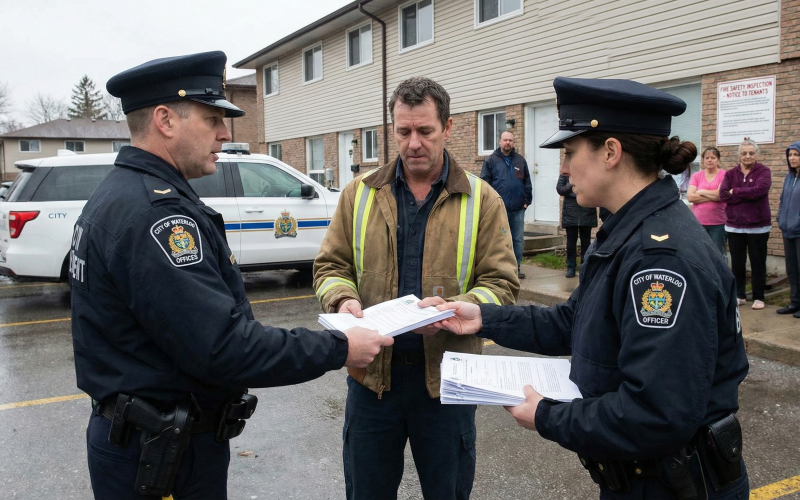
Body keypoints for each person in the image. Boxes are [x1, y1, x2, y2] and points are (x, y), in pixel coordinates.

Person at [70, 51, 392, 500]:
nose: (225, 133)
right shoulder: (154, 214)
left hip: (148, 440)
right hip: (161, 455)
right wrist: (340, 346)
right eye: (212, 118)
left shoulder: (121, 193)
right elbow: (222, 347)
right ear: (165, 119)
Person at [422, 77, 749, 499]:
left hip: (677, 486)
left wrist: (547, 416)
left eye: (571, 152)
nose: (563, 168)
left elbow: (654, 414)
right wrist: (482, 317)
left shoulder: (661, 260)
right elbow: (572, 321)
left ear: (611, 152)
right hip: (643, 478)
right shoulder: (626, 231)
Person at [313, 77, 519, 500]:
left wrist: (451, 310)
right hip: (371, 380)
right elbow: (331, 266)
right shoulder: (359, 194)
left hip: (448, 383)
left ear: (447, 128)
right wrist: (343, 298)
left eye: (425, 131)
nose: (413, 143)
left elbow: (501, 286)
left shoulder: (483, 200)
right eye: (403, 131)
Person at [719, 138, 772, 310]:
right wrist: (745, 194)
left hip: (758, 226)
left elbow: (760, 190)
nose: (747, 156)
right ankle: (739, 295)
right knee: (738, 263)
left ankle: (758, 297)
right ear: (739, 155)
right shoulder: (730, 174)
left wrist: (737, 191)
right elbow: (724, 195)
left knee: (758, 262)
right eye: (744, 153)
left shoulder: (764, 171)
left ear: (756, 154)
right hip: (735, 226)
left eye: (751, 153)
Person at [480, 130, 533, 278]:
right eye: (505, 140)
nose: (507, 143)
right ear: (500, 142)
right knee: (499, 240)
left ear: (513, 143)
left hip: (517, 208)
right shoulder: (491, 160)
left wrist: (527, 201)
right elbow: (484, 184)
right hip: (498, 209)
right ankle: (500, 270)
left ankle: (515, 269)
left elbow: (527, 182)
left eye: (510, 140)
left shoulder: (520, 161)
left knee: (517, 240)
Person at [687, 147, 727, 256]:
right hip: (699, 223)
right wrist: (713, 196)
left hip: (718, 224)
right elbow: (690, 197)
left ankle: (719, 274)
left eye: (713, 157)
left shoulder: (724, 175)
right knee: (700, 254)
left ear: (718, 160)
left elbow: (720, 195)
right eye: (707, 157)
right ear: (703, 160)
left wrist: (701, 191)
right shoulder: (697, 176)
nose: (709, 160)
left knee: (718, 254)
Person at [556, 174, 597, 277]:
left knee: (586, 242)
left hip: (586, 211)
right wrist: (572, 185)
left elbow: (594, 188)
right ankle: (571, 267)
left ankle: (585, 266)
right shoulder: (565, 174)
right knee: (571, 242)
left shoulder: (588, 171)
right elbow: (560, 189)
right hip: (571, 212)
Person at [776, 141, 800, 317]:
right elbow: (783, 201)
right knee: (792, 269)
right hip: (787, 230)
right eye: (790, 155)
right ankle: (795, 302)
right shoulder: (789, 177)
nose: (792, 158)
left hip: (799, 231)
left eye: (796, 154)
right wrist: (780, 218)